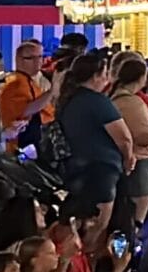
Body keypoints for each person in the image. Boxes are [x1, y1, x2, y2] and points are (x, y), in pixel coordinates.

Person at [51, 51, 130, 252]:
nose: (107, 78)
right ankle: (85, 264)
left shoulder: (68, 100)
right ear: (96, 76)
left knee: (78, 223)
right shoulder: (97, 101)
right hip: (101, 170)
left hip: (74, 169)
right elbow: (124, 138)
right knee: (97, 228)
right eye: (105, 73)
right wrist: (129, 159)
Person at [110, 56, 148, 238]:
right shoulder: (131, 102)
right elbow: (145, 138)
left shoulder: (117, 97)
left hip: (131, 162)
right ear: (141, 78)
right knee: (135, 219)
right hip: (140, 163)